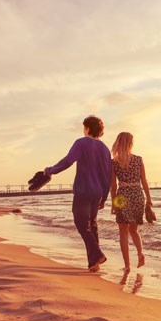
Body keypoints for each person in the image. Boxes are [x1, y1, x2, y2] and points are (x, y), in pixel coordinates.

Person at [43, 115, 112, 272]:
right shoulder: (105, 149)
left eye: (84, 128)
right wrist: (104, 197)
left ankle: (98, 254)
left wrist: (50, 170)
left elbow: (68, 161)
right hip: (97, 193)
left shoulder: (81, 143)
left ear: (87, 128)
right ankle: (93, 264)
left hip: (83, 190)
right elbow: (107, 175)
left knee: (81, 224)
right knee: (92, 225)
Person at [110, 132, 153, 273]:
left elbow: (113, 185)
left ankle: (127, 266)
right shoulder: (138, 159)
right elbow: (144, 181)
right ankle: (140, 253)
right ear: (130, 143)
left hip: (122, 196)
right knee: (134, 230)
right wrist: (149, 199)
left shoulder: (114, 162)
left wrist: (113, 203)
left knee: (123, 232)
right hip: (137, 194)